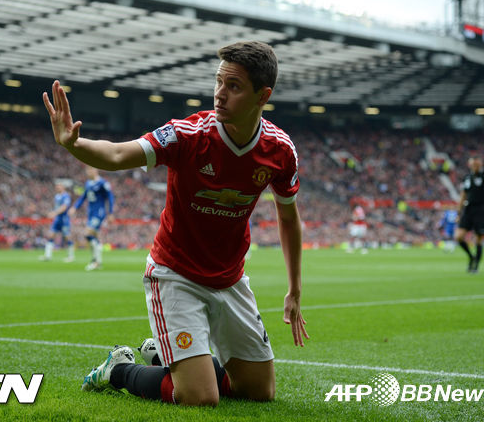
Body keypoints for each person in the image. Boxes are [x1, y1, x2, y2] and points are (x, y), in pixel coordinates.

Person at [43, 41, 308, 406]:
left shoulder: (280, 150)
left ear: (263, 96)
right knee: (199, 397)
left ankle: (168, 358)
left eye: (234, 86)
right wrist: (73, 144)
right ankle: (118, 370)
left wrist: (294, 289)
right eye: (219, 81)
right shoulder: (188, 134)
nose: (220, 93)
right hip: (175, 275)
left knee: (259, 392)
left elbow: (289, 218)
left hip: (230, 279)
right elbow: (118, 154)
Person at [455, 143, 484, 273]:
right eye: (473, 163)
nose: (475, 165)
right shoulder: (467, 177)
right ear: (470, 164)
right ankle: (471, 257)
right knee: (459, 236)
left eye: (477, 163)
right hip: (468, 209)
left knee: (478, 239)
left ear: (480, 164)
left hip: (480, 209)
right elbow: (463, 195)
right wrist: (459, 212)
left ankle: (476, 266)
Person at [69, 166, 115, 271]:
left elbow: (110, 197)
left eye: (90, 170)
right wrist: (74, 207)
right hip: (91, 214)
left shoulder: (103, 183)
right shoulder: (88, 183)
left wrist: (111, 213)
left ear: (95, 170)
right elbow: (83, 197)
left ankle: (95, 261)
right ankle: (97, 261)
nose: (88, 172)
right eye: (87, 170)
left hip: (99, 213)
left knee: (87, 233)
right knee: (94, 237)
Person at [39, 181, 75, 262]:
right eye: (56, 186)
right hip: (57, 219)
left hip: (64, 219)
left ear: (63, 187)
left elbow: (64, 207)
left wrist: (54, 213)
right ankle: (48, 256)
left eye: (59, 186)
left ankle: (71, 256)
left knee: (67, 237)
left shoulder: (66, 196)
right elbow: (57, 207)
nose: (57, 187)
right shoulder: (57, 196)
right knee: (51, 235)